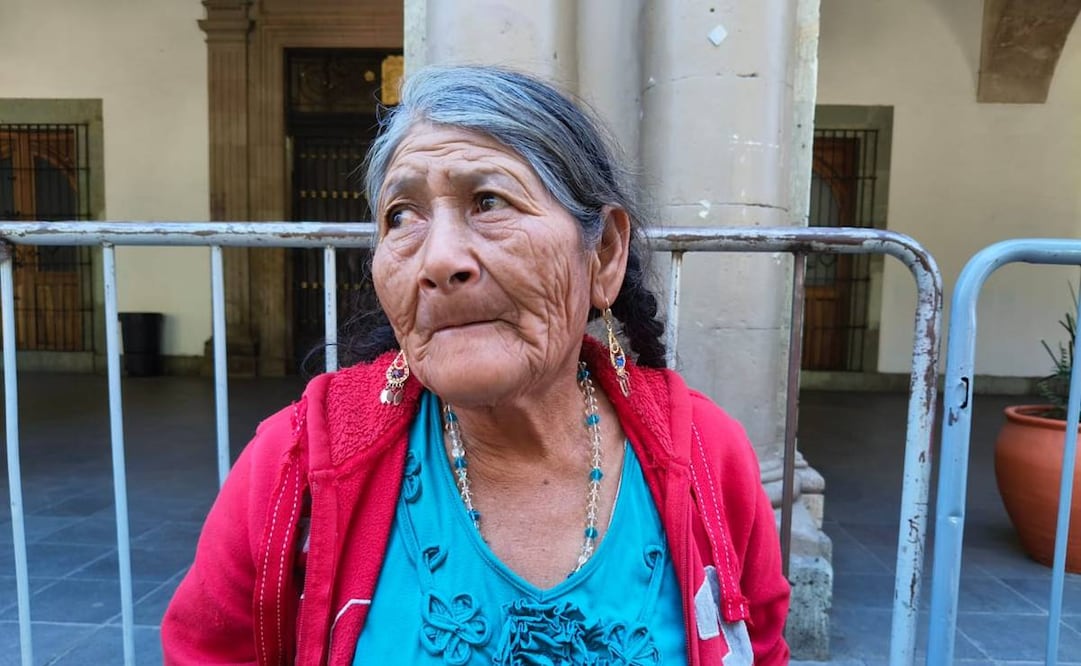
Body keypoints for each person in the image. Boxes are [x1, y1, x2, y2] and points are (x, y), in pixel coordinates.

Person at [162, 65, 790, 665]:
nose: (438, 260)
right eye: (401, 217)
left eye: (489, 202)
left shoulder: (706, 456)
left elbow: (757, 644)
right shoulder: (296, 465)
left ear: (602, 252)